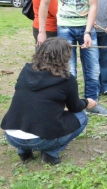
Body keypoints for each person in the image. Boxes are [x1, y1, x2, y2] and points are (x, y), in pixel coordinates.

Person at [37, 0, 107, 116]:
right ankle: (73, 105)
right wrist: (42, 31)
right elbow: (44, 4)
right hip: (64, 27)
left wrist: (87, 31)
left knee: (93, 68)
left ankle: (92, 104)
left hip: (86, 28)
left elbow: (93, 6)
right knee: (68, 70)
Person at [1, 37, 97, 165]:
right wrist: (87, 102)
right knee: (82, 117)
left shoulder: (26, 70)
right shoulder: (66, 78)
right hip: (41, 140)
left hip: (12, 136)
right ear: (65, 56)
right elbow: (75, 107)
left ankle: (23, 151)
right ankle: (50, 153)